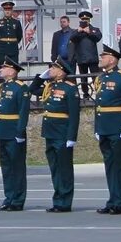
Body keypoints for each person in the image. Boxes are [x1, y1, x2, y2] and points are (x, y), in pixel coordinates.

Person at [93, 46, 121, 214]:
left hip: (118, 128)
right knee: (110, 166)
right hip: (104, 128)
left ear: (112, 59)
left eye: (103, 56)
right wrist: (97, 128)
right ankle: (112, 200)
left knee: (120, 166)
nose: (101, 58)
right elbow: (99, 106)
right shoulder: (101, 78)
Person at [40, 59, 80, 212]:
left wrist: (71, 137)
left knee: (64, 169)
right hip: (50, 132)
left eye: (54, 68)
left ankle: (65, 201)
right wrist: (42, 77)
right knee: (55, 168)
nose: (50, 69)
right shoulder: (50, 86)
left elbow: (74, 115)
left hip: (62, 133)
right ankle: (58, 199)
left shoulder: (70, 88)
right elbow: (34, 90)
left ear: (62, 71)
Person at [0, 58, 29, 212]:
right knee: (6, 168)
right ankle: (9, 198)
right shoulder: (1, 87)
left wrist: (20, 132)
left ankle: (18, 200)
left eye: (4, 68)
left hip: (14, 132)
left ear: (12, 71)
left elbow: (23, 112)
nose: (1, 69)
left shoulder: (20, 88)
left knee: (17, 167)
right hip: (2, 132)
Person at [68, 11, 102, 98]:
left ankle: (98, 94)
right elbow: (72, 39)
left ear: (89, 20)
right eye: (83, 19)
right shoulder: (76, 31)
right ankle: (85, 95)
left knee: (95, 78)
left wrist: (89, 32)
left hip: (92, 59)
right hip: (81, 59)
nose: (85, 21)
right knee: (83, 79)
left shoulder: (95, 29)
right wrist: (79, 31)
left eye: (86, 19)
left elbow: (98, 37)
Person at [0, 1, 22, 67]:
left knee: (14, 67)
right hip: (2, 49)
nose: (7, 11)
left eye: (9, 9)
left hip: (13, 48)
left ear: (12, 11)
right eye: (6, 10)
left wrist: (13, 42)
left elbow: (19, 36)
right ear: (3, 11)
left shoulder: (16, 22)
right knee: (1, 67)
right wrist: (1, 43)